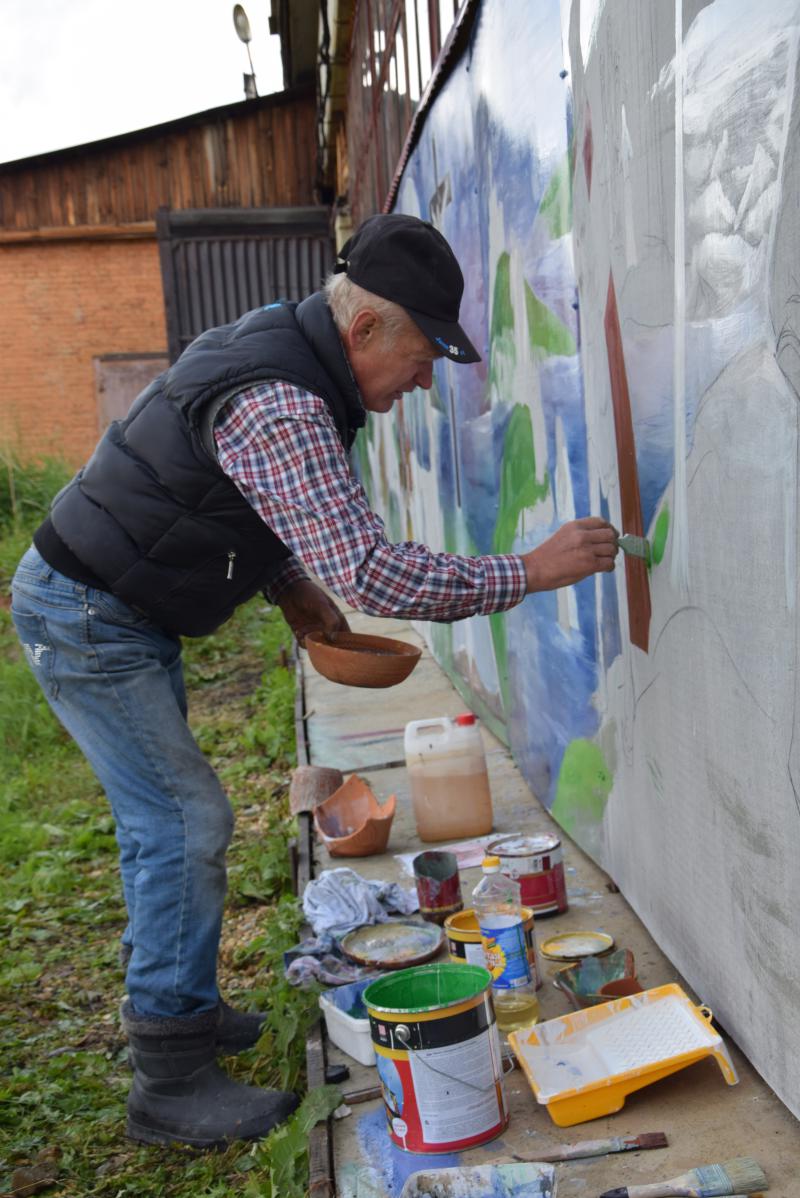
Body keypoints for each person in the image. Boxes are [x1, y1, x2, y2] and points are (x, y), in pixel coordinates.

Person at [10, 213, 618, 1149]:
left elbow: (230, 495)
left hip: (115, 601)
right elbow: (372, 574)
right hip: (92, 616)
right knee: (183, 823)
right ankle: (168, 1079)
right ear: (365, 327)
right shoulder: (283, 401)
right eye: (423, 356)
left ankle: (181, 1004)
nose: (425, 381)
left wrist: (288, 586)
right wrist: (530, 571)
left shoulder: (285, 348)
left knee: (159, 822)